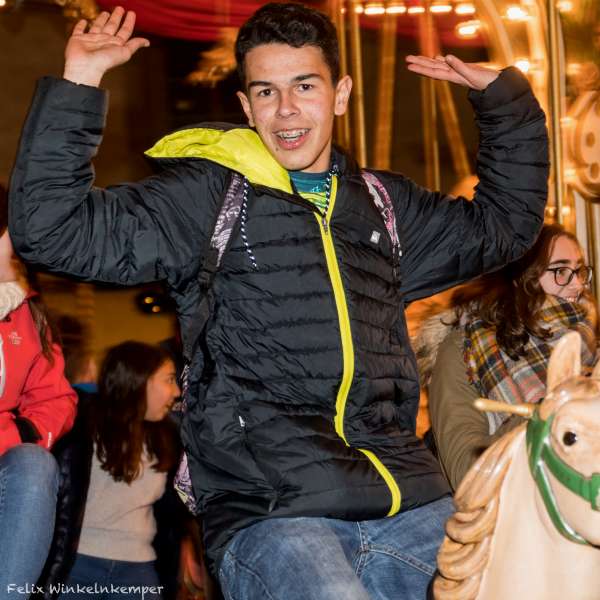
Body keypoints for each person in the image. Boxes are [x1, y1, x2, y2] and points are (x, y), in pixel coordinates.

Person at [8, 3, 549, 599]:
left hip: (408, 497)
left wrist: (505, 102)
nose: (286, 108)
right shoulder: (207, 200)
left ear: (341, 94)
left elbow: (504, 227)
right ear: (247, 107)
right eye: (266, 91)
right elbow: (51, 231)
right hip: (273, 510)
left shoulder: (383, 208)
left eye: (305, 86)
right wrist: (81, 81)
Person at [422, 224, 597, 491]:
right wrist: (551, 406)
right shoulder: (465, 349)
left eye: (580, 270)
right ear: (522, 276)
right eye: (561, 271)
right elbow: (465, 470)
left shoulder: (590, 339)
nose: (577, 284)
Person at [43, 341, 182, 599]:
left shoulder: (167, 436)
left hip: (138, 569)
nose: (176, 391)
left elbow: (171, 520)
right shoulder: (81, 423)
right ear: (140, 380)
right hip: (77, 565)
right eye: (169, 379)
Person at [0, 183, 77, 598]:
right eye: (10, 233)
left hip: (5, 454)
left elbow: (56, 398)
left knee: (34, 464)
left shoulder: (26, 313)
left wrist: (21, 434)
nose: (18, 247)